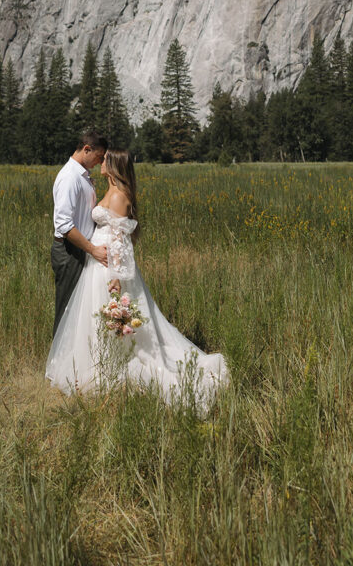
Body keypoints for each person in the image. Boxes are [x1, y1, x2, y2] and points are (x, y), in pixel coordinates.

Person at [46, 149, 229, 409]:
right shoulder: (110, 190)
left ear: (114, 166)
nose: (101, 161)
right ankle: (95, 362)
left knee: (112, 317)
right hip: (96, 262)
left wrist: (116, 277)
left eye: (106, 159)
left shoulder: (119, 196)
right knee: (92, 316)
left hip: (108, 266)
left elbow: (120, 242)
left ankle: (115, 366)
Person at [50, 131, 108, 337]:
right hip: (69, 251)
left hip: (80, 248)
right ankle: (58, 363)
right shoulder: (69, 177)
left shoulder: (82, 175)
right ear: (86, 149)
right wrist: (93, 250)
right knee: (67, 308)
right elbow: (64, 225)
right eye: (98, 157)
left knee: (78, 309)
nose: (100, 162)